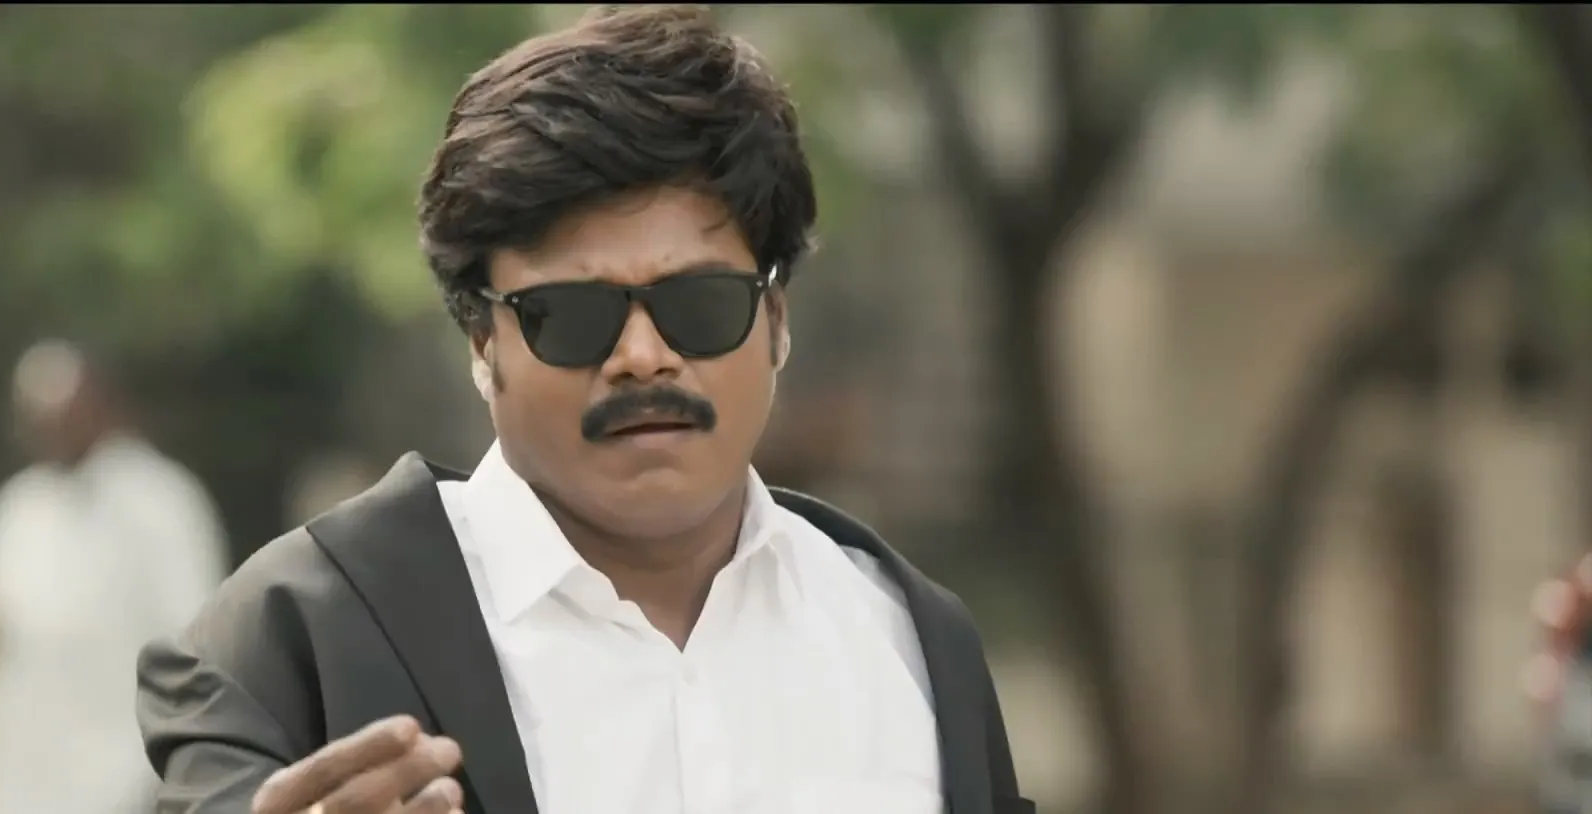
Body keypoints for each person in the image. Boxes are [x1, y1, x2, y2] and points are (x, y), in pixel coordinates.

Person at [136, 6, 1032, 814]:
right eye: (571, 316)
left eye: (699, 305)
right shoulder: (291, 641)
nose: (643, 356)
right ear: (482, 342)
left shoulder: (909, 639)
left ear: (776, 321)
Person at [0, 339, 228, 814]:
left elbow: (198, 637)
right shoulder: (22, 502)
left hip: (121, 769)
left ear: (101, 405)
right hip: (25, 764)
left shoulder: (159, 501)